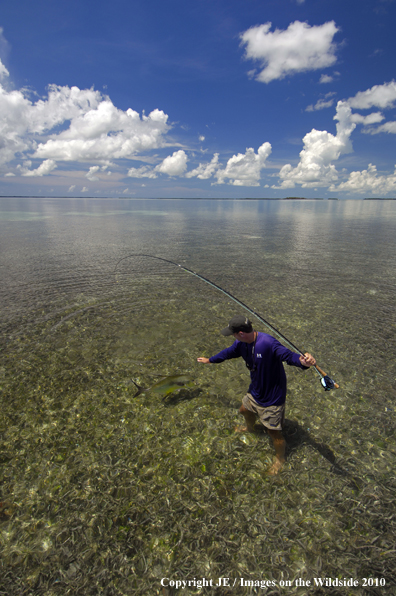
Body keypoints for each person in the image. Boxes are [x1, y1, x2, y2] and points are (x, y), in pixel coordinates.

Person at [197, 315, 316, 475]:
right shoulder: (241, 343)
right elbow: (229, 352)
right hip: (255, 390)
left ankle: (280, 459)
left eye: (233, 333)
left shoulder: (268, 343)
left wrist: (303, 362)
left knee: (273, 432)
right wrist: (210, 360)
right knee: (243, 410)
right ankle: (250, 428)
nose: (232, 336)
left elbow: (289, 356)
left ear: (240, 333)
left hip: (273, 398)